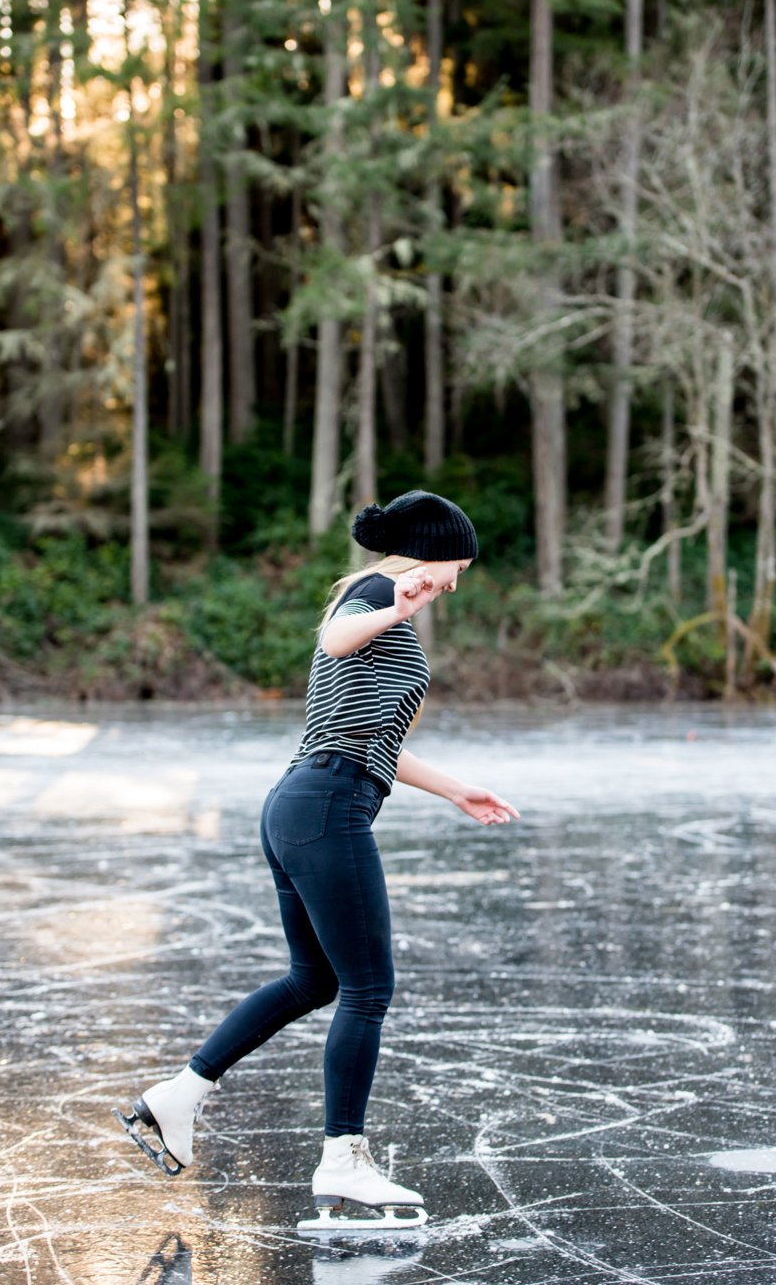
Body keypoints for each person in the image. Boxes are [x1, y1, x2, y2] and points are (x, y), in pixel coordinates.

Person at [114, 490, 520, 1228]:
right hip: (325, 806)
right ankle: (343, 1160)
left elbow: (376, 740)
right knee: (367, 988)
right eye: (454, 568)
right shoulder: (370, 599)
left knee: (315, 979)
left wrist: (459, 790)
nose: (454, 584)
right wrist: (396, 605)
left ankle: (179, 1095)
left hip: (304, 803)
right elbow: (337, 640)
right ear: (425, 555)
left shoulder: (381, 614)